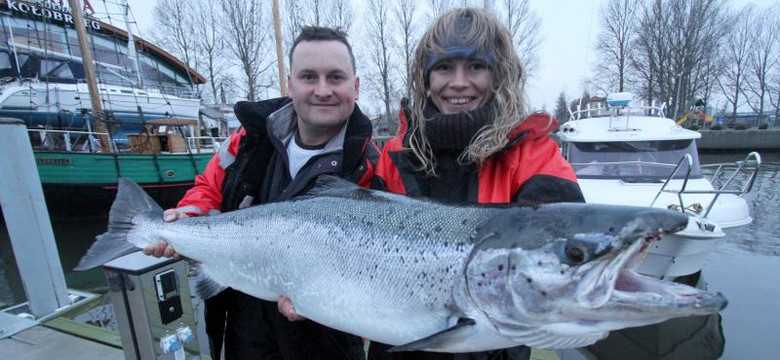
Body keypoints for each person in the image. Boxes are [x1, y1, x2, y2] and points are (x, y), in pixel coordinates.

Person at [144, 26, 376, 360]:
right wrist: (187, 215)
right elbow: (208, 190)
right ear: (290, 83)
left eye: (335, 77)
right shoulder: (249, 140)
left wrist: (332, 304)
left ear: (355, 86)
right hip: (244, 321)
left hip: (327, 336)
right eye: (309, 76)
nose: (322, 90)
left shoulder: (371, 167)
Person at [367, 7, 585, 360]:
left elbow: (565, 244)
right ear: (425, 78)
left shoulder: (533, 156)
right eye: (443, 68)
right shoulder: (393, 156)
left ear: (498, 75)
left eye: (476, 66)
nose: (458, 82)